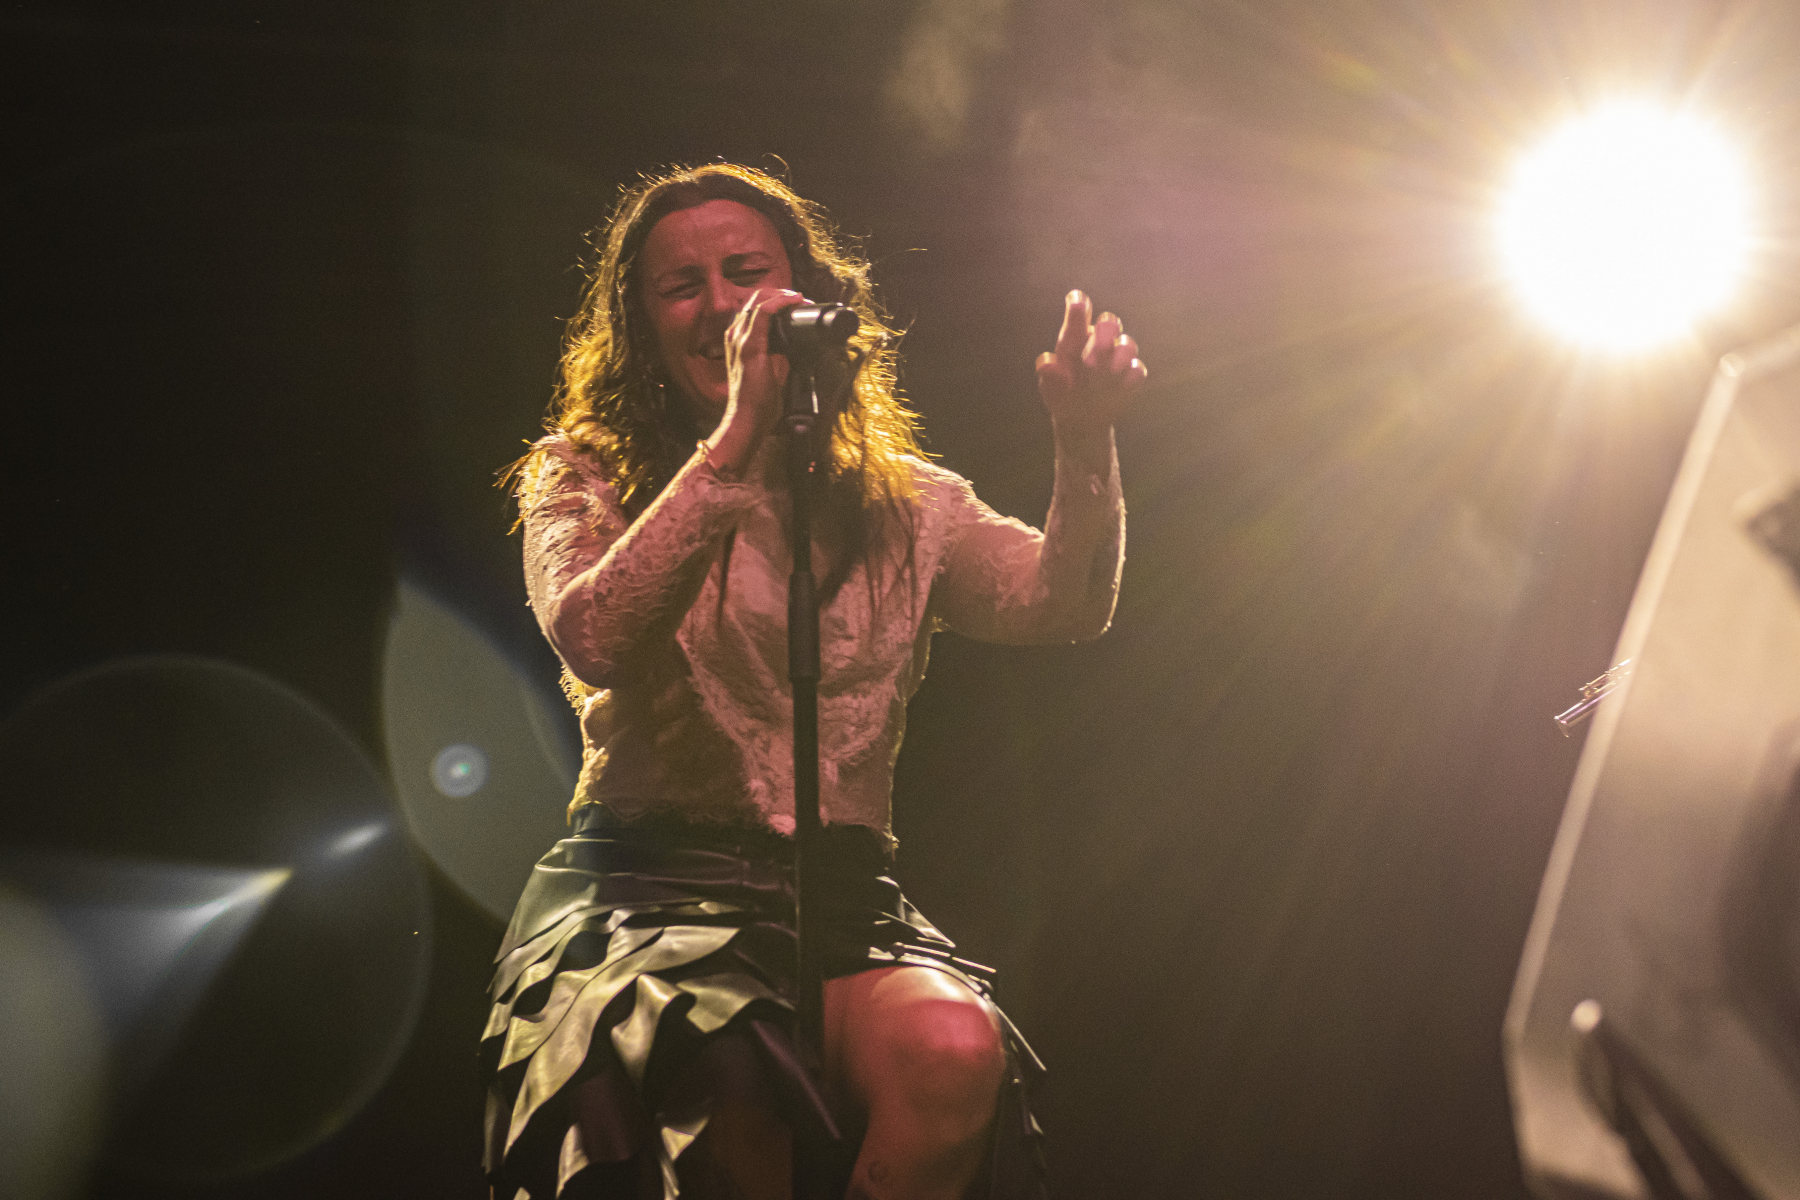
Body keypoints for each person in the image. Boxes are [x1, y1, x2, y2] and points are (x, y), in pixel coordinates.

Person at [479, 163, 1145, 1200]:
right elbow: (595, 636)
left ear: (806, 295)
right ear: (641, 327)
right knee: (730, 1069)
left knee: (953, 1049)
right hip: (653, 893)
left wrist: (1084, 439)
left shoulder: (909, 502)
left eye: (746, 272)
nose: (720, 305)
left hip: (842, 899)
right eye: (682, 285)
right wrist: (737, 439)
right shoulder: (582, 473)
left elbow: (1063, 604)